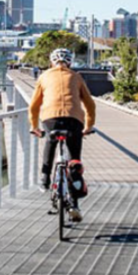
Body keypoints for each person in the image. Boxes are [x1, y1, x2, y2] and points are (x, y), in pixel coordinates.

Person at [29, 47, 96, 221]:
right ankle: (74, 199)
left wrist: (34, 126)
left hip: (50, 118)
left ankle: (44, 176)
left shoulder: (43, 77)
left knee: (50, 141)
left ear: (51, 62)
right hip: (74, 120)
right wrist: (88, 126)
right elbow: (90, 105)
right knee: (73, 158)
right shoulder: (76, 77)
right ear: (69, 63)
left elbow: (34, 106)